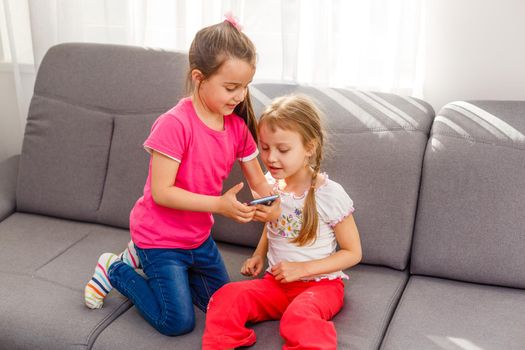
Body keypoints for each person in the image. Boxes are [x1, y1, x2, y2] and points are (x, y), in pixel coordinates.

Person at [83, 15, 280, 336]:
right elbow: (162, 192)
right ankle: (115, 267)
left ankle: (155, 268)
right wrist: (219, 205)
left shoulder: (237, 128)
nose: (240, 96)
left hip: (198, 240)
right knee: (177, 322)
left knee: (225, 306)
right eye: (231, 87)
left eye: (245, 87)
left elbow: (260, 182)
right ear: (199, 77)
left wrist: (272, 206)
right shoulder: (175, 124)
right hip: (159, 238)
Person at [202, 94, 362, 349]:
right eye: (264, 148)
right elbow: (274, 226)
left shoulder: (330, 194)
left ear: (309, 147)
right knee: (227, 297)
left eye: (283, 149)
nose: (271, 158)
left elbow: (353, 253)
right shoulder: (271, 184)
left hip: (321, 286)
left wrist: (303, 269)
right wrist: (258, 255)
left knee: (299, 316)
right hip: (276, 284)